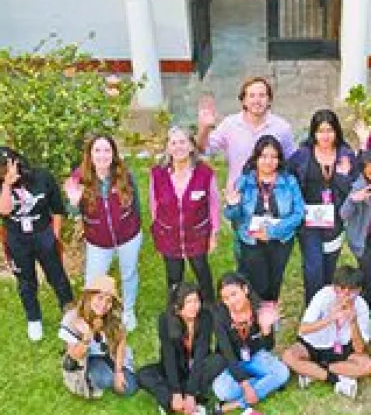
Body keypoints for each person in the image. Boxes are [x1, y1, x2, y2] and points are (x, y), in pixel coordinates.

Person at [0, 146, 73, 342]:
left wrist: (54, 236)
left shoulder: (42, 177)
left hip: (43, 233)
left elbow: (57, 209)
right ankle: (34, 318)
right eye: (0, 172)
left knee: (57, 275)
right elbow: (3, 211)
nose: (5, 174)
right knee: (25, 281)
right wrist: (6, 184)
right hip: (17, 238)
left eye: (8, 168)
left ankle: (68, 313)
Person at [63, 134, 143, 332]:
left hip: (128, 237)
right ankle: (93, 315)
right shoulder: (78, 178)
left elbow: (137, 204)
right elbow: (72, 212)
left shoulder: (125, 174)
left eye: (107, 150)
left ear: (113, 153)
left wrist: (135, 227)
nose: (102, 155)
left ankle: (128, 310)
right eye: (97, 150)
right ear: (90, 154)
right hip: (98, 241)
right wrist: (74, 202)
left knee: (129, 273)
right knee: (93, 280)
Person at [286, 109, 358, 305]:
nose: (325, 136)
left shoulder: (346, 156)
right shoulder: (302, 155)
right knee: (313, 267)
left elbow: (354, 188)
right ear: (313, 133)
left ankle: (327, 306)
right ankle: (313, 310)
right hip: (308, 221)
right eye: (320, 131)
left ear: (336, 132)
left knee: (328, 267)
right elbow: (287, 180)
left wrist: (343, 176)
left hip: (335, 220)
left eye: (329, 130)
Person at [224, 135, 304, 305]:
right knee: (258, 283)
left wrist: (272, 231)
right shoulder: (244, 181)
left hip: (281, 240)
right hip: (251, 241)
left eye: (274, 157)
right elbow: (233, 216)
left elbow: (298, 213)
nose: (269, 161)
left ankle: (269, 319)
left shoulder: (289, 181)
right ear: (256, 158)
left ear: (279, 159)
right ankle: (255, 315)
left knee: (274, 283)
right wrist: (232, 205)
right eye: (264, 156)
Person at [136, 283, 226, 415]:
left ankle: (173, 402)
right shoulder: (166, 320)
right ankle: (187, 407)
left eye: (196, 301)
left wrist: (189, 393)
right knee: (143, 374)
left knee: (219, 360)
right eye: (189, 302)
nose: (194, 306)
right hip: (176, 367)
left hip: (198, 366)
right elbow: (169, 357)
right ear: (177, 306)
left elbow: (200, 354)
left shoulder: (205, 317)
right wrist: (176, 392)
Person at [148, 126, 221, 304]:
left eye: (183, 142)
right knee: (174, 276)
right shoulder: (157, 174)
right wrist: (159, 231)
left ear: (191, 146)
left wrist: (213, 234)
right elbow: (154, 205)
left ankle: (209, 306)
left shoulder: (205, 173)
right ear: (168, 147)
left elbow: (214, 204)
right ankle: (177, 309)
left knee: (201, 270)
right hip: (169, 235)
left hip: (197, 234)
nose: (178, 147)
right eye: (173, 143)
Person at [282, 266, 371, 398]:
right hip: (313, 344)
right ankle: (336, 380)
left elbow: (359, 349)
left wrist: (353, 322)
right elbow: (303, 329)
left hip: (341, 349)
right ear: (334, 287)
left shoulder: (361, 306)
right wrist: (330, 318)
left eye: (351, 291)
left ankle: (312, 372)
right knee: (288, 356)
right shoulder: (323, 295)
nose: (346, 294)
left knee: (367, 366)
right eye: (341, 289)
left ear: (359, 290)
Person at [211, 273, 290, 415]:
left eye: (234, 294)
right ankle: (265, 382)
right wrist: (246, 385)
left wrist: (266, 330)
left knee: (283, 372)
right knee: (221, 391)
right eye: (225, 298)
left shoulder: (259, 309)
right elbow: (227, 354)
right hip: (231, 361)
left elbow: (268, 346)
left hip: (255, 355)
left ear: (245, 290)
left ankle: (234, 405)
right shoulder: (219, 316)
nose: (231, 301)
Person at [197, 77, 296, 191]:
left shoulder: (282, 127)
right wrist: (204, 128)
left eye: (262, 95)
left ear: (269, 100)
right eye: (252, 95)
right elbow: (204, 150)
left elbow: (291, 163)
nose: (257, 100)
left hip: (273, 197)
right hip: (238, 195)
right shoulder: (230, 124)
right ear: (243, 100)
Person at [58, 275, 137, 398]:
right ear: (89, 297)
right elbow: (74, 356)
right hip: (87, 358)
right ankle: (92, 378)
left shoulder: (115, 315)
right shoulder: (72, 318)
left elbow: (121, 343)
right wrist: (87, 336)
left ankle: (111, 373)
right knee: (104, 379)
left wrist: (119, 371)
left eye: (108, 300)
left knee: (130, 388)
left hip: (110, 353)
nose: (104, 304)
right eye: (99, 298)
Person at [339, 150, 371, 304]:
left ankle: (362, 296)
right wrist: (353, 200)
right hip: (360, 238)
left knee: (368, 269)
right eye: (369, 174)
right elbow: (343, 215)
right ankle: (367, 303)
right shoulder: (359, 186)